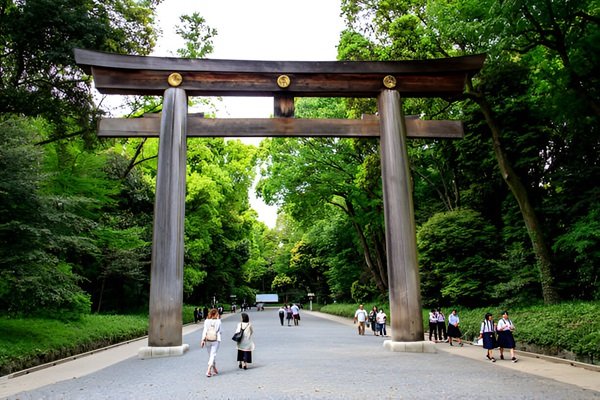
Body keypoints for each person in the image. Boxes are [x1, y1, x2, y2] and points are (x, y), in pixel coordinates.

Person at [201, 308, 222, 377]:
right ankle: (208, 370)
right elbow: (220, 331)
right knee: (213, 354)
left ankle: (214, 368)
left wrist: (202, 340)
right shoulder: (218, 321)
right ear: (216, 314)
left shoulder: (206, 321)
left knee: (211, 355)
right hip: (216, 339)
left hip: (207, 339)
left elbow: (205, 330)